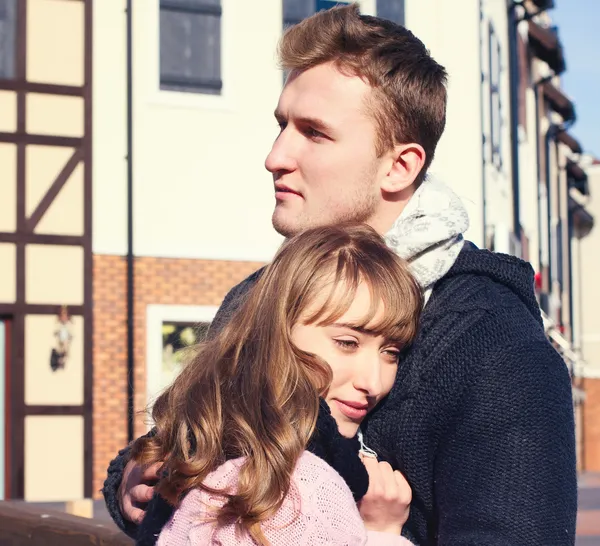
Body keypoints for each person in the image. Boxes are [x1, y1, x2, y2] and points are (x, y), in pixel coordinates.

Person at [103, 5, 577, 545]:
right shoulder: (262, 296)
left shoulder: (491, 342)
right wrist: (135, 480)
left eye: (315, 133)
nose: (275, 156)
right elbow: (187, 441)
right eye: (282, 125)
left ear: (400, 166)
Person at [132, 223, 422, 545]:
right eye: (347, 342)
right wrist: (382, 533)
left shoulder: (214, 439)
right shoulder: (298, 488)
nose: (374, 382)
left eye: (391, 352)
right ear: (279, 332)